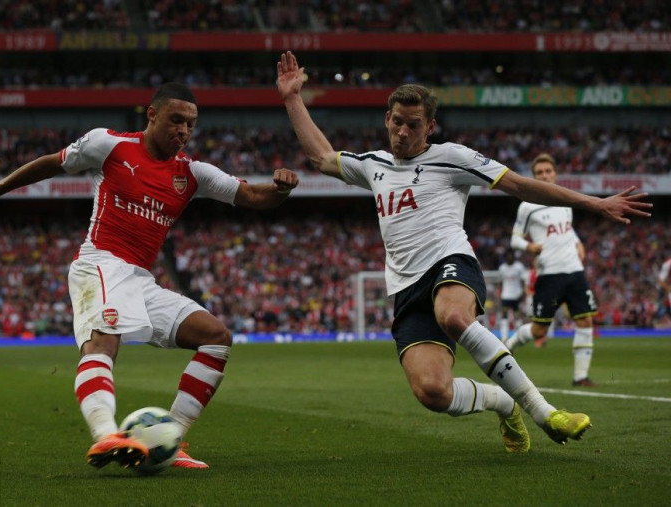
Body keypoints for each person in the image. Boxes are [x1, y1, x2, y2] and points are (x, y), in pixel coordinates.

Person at [276, 50, 651, 452]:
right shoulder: (374, 164)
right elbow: (320, 157)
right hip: (406, 287)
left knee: (453, 315)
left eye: (413, 125)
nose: (402, 132)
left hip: (450, 262)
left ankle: (545, 412)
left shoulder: (453, 157)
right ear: (387, 119)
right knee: (432, 392)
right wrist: (292, 98)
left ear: (430, 127)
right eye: (397, 122)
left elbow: (521, 186)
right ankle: (503, 402)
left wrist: (594, 203)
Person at [0, 83, 299, 470]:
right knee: (104, 343)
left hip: (140, 279)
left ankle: (171, 440)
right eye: (176, 120)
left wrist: (281, 190)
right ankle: (105, 437)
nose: (184, 131)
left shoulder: (193, 173)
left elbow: (253, 196)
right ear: (152, 115)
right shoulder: (109, 144)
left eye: (190, 124)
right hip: (100, 262)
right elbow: (53, 162)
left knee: (216, 338)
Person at [504, 153, 598, 387]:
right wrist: (530, 246)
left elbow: (567, 230)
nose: (545, 176)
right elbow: (514, 240)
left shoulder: (565, 202)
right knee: (539, 331)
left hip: (575, 271)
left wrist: (578, 242)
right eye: (539, 173)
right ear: (534, 177)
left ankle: (581, 377)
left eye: (548, 171)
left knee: (585, 321)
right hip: (550, 274)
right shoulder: (527, 207)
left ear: (555, 174)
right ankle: (508, 347)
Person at [497, 250, 528, 341]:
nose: (510, 258)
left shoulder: (519, 267)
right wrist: (500, 295)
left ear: (514, 257)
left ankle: (518, 336)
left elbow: (523, 281)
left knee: (517, 316)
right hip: (506, 295)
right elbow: (500, 282)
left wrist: (523, 293)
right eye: (508, 256)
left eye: (511, 256)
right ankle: (504, 337)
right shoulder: (502, 268)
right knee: (504, 315)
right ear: (506, 258)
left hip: (516, 295)